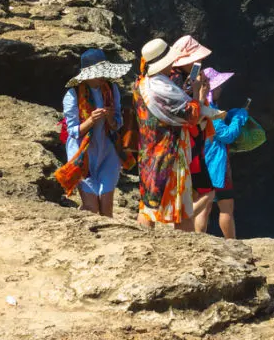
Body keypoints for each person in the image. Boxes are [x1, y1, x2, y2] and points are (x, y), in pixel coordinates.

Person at [134, 38, 209, 231]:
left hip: (148, 150)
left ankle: (143, 240)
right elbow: (191, 116)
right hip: (169, 151)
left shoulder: (141, 84)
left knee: (149, 202)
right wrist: (196, 90)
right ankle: (187, 250)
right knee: (182, 206)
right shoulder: (163, 87)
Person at [55, 49, 132, 217]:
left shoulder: (112, 89)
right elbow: (73, 132)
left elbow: (118, 124)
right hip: (83, 155)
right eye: (99, 73)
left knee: (106, 207)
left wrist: (111, 118)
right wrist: (90, 121)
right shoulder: (73, 94)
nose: (102, 76)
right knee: (91, 208)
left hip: (107, 152)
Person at [195, 68, 248, 239]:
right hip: (216, 166)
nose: (220, 90)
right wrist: (239, 118)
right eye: (218, 87)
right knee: (225, 207)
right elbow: (226, 136)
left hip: (201, 162)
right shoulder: (210, 109)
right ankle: (232, 243)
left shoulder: (199, 106)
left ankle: (197, 241)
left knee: (204, 205)